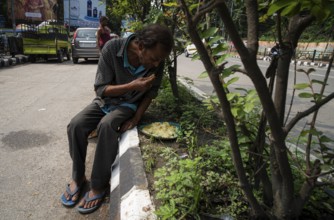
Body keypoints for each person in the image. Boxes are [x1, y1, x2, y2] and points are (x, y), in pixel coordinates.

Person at [60, 23, 174, 214]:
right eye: (154, 59)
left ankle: (98, 184)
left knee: (107, 125)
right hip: (104, 101)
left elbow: (150, 94)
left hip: (127, 106)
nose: (156, 64)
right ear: (140, 47)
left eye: (159, 60)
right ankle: (78, 177)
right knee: (76, 125)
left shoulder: (158, 61)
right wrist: (132, 86)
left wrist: (136, 118)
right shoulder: (112, 48)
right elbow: (101, 89)